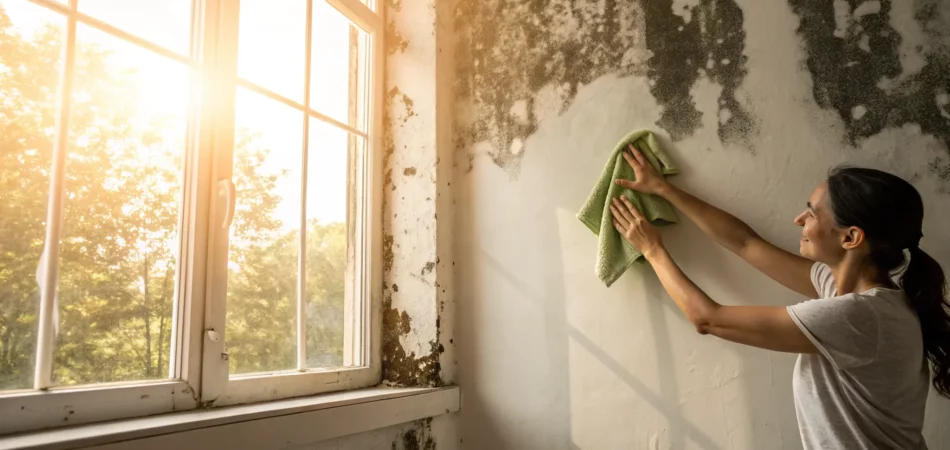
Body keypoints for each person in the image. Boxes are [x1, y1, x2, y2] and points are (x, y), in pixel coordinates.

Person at [609, 145, 950, 450]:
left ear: (851, 238)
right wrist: (663, 189)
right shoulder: (855, 293)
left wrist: (652, 249)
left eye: (812, 213)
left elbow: (707, 318)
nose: (798, 219)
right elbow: (745, 243)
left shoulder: (857, 316)